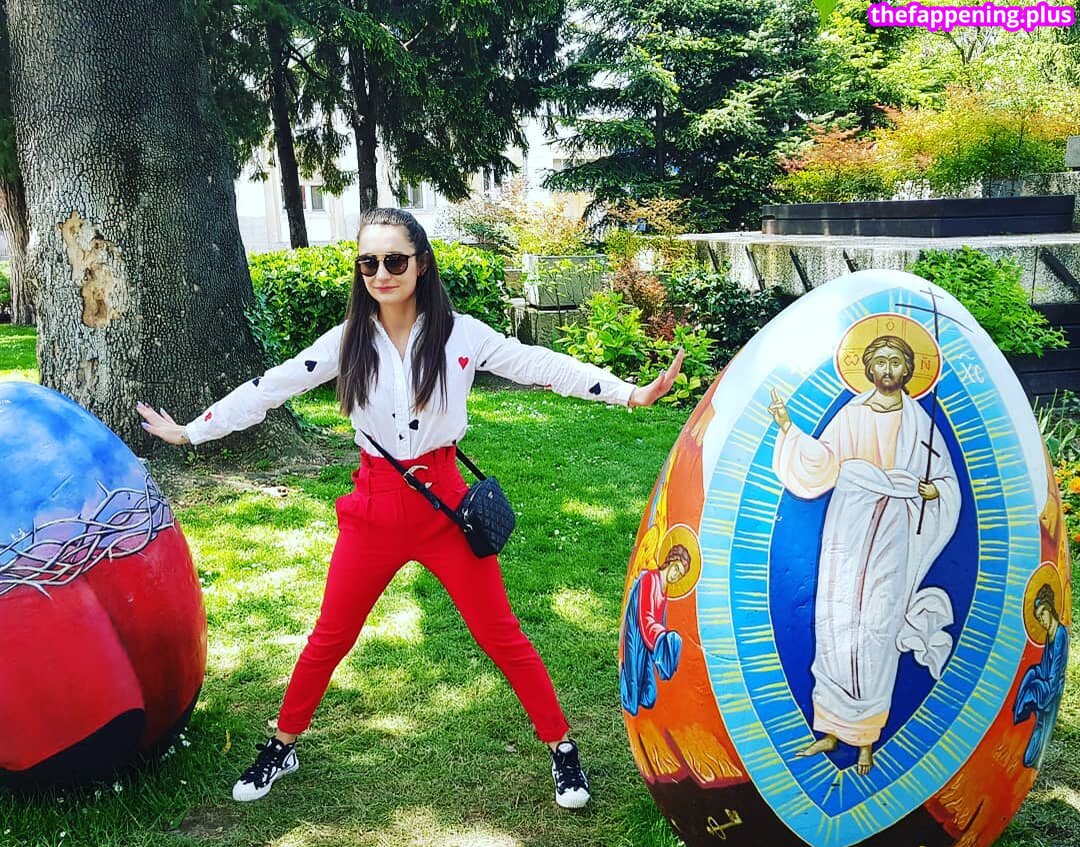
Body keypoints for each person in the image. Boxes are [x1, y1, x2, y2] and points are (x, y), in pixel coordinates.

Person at [137, 207, 682, 809]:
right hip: (373, 509)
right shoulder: (348, 341)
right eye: (368, 263)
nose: (381, 274)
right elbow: (272, 387)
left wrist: (628, 393)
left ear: (422, 264)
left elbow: (539, 364)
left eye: (394, 261)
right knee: (329, 637)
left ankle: (561, 747)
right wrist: (193, 432)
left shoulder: (461, 336)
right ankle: (282, 743)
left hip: (445, 507)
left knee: (502, 635)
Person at [768, 335, 960, 776]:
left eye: (897, 362)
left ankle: (867, 738)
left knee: (878, 625)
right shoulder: (851, 414)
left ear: (908, 370)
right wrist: (788, 429)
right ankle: (830, 730)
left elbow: (945, 479)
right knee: (835, 620)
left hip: (895, 526)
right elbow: (823, 461)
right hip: (849, 523)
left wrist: (935, 491)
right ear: (869, 369)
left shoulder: (920, 422)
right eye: (881, 361)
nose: (888, 369)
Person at [619, 545, 691, 716]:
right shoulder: (650, 579)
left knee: (649, 696)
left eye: (680, 575)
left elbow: (659, 621)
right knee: (633, 698)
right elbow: (646, 618)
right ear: (670, 562)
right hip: (636, 639)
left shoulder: (664, 591)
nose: (675, 575)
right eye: (676, 569)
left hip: (648, 644)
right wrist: (663, 639)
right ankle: (625, 675)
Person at [1013, 583, 1069, 770]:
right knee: (1030, 675)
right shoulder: (1049, 634)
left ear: (1050, 609)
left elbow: (1055, 669)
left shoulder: (1060, 634)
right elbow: (1044, 663)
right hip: (1046, 682)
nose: (1041, 621)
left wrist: (1042, 687)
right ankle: (1021, 712)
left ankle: (1027, 706)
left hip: (1051, 688)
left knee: (1032, 753)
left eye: (1042, 614)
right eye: (1038, 618)